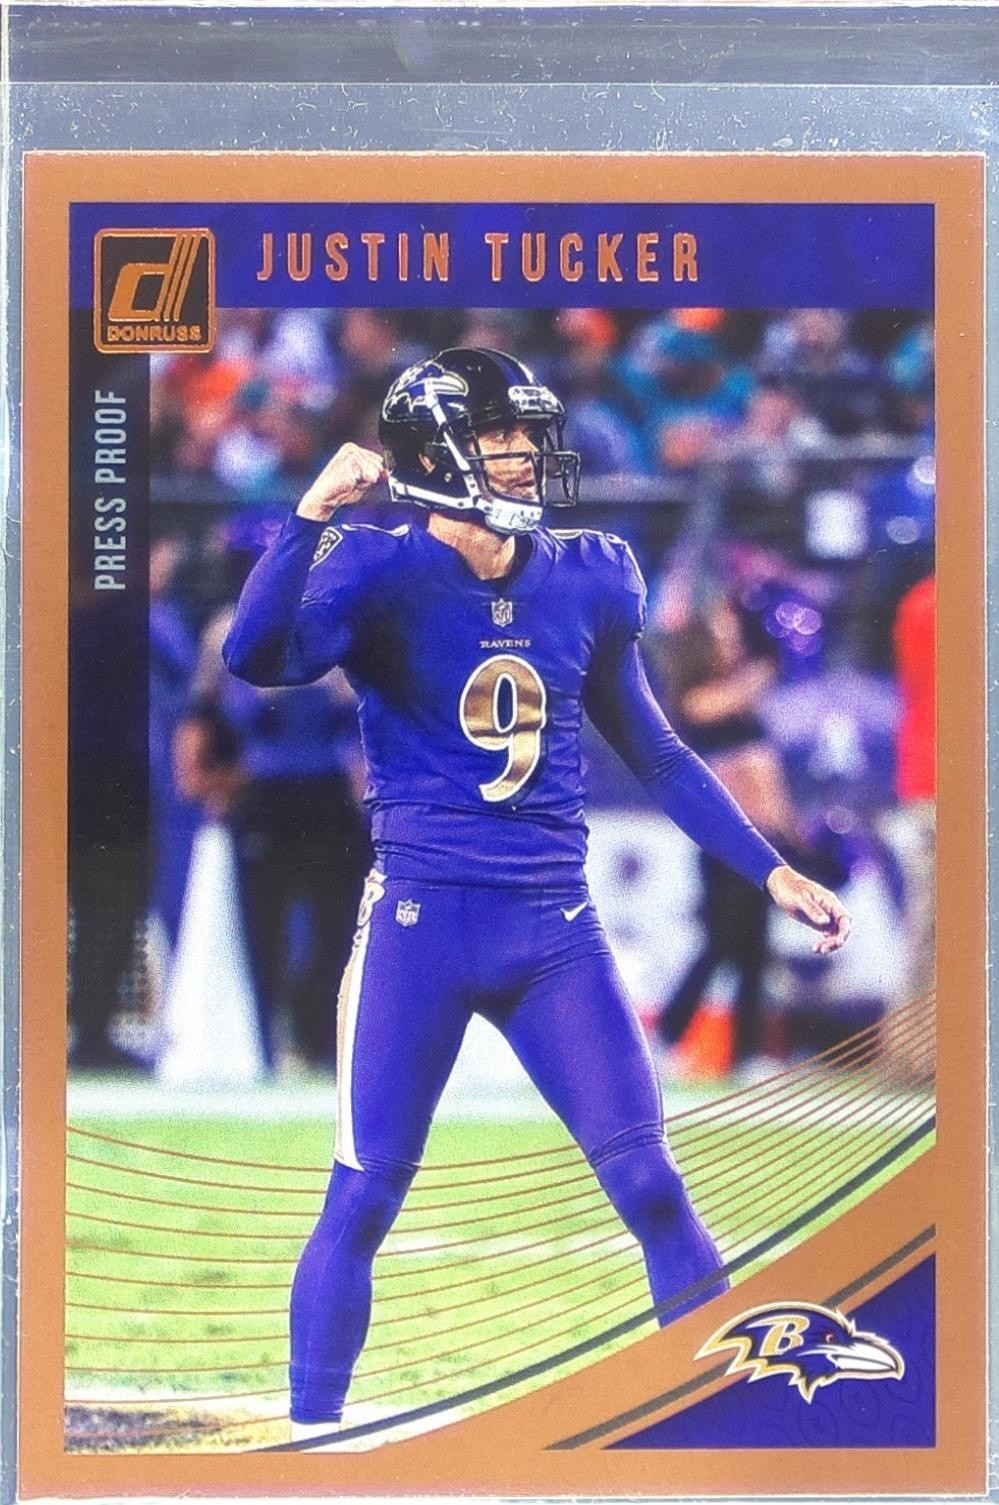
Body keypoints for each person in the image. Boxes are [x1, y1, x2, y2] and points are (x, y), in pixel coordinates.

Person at [222, 346, 851, 1436]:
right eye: (500, 434)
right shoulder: (377, 567)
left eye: (526, 432)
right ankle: (311, 1437)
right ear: (434, 452)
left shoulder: (587, 573)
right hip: (420, 921)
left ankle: (725, 1432)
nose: (524, 454)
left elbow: (657, 753)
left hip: (551, 928)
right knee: (363, 1195)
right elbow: (255, 655)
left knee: (650, 1183)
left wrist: (770, 866)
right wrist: (307, 519)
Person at [653, 599, 804, 1075]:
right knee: (721, 943)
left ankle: (746, 1053)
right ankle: (667, 1037)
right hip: (723, 843)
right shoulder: (697, 698)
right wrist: (768, 664)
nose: (732, 643)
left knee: (752, 948)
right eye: (722, 636)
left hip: (762, 838)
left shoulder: (741, 704)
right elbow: (718, 706)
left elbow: (766, 772)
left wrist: (790, 832)